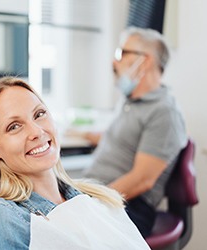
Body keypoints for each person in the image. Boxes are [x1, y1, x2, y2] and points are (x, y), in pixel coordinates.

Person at [0, 77, 150, 249]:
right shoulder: (4, 218)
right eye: (14, 126)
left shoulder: (98, 199)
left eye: (39, 114)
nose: (37, 132)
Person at [72, 27, 187, 237]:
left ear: (145, 61)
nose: (114, 62)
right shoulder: (130, 101)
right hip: (101, 194)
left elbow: (142, 180)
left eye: (121, 53)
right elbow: (117, 139)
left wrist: (91, 202)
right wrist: (76, 132)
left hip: (129, 206)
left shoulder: (164, 112)